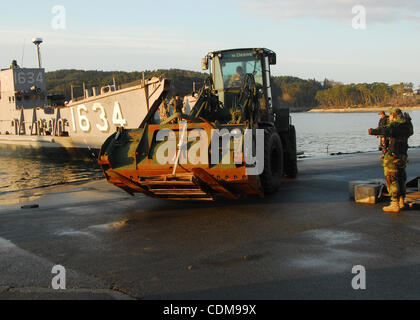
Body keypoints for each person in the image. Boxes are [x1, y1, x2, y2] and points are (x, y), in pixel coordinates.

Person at [369, 108, 413, 213]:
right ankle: (402, 201)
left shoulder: (394, 126)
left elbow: (385, 130)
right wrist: (409, 120)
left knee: (392, 180)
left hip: (392, 158)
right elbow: (411, 131)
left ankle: (394, 203)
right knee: (401, 179)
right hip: (402, 156)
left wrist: (372, 131)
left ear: (393, 115)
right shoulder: (406, 126)